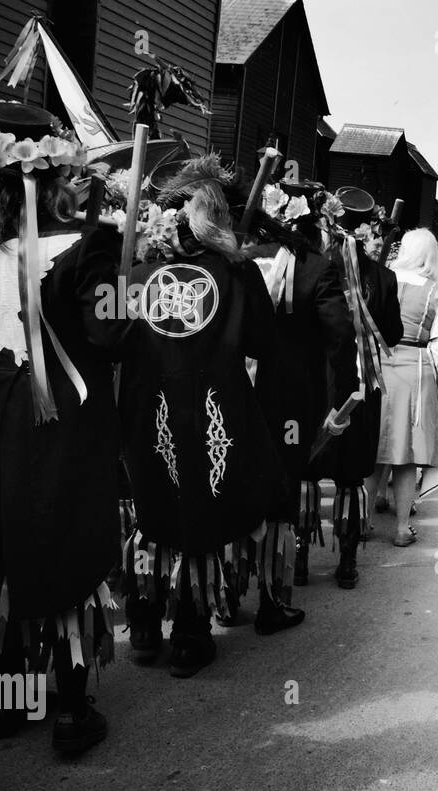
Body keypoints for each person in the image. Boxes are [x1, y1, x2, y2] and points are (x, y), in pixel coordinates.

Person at [0, 102, 123, 751]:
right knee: (65, 551)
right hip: (59, 425)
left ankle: (6, 703)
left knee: (7, 558)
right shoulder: (87, 240)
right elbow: (111, 334)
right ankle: (72, 713)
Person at [117, 156, 285, 678]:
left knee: (149, 506)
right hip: (215, 409)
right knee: (198, 510)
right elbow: (263, 341)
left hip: (149, 408)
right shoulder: (237, 273)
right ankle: (189, 635)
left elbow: (113, 341)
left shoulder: (135, 271)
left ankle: (143, 623)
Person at [242, 178, 359, 609]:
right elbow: (342, 334)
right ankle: (273, 598)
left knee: (236, 475)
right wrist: (341, 398)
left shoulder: (237, 257)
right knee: (283, 484)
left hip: (233, 390)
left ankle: (230, 593)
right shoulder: (317, 265)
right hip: (289, 395)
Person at [319, 188, 402, 586]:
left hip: (321, 382)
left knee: (309, 468)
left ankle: (299, 560)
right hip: (362, 387)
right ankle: (347, 561)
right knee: (351, 474)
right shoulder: (385, 277)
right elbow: (394, 333)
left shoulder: (314, 266)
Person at [373, 229, 438, 547]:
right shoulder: (437, 292)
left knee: (375, 448)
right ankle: (402, 527)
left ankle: (364, 520)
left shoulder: (384, 278)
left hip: (378, 364)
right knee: (405, 454)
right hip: (416, 367)